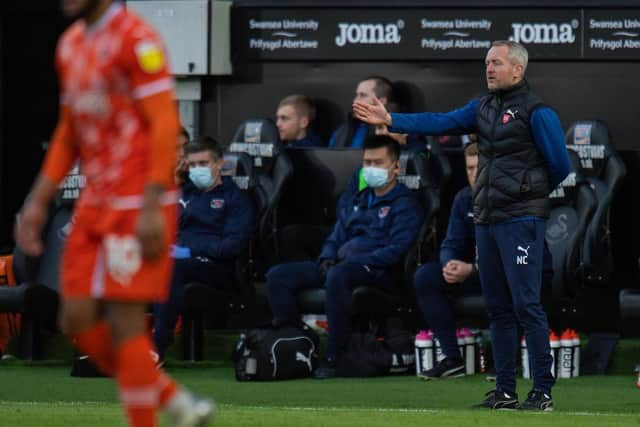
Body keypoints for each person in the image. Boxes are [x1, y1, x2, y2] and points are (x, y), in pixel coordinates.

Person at [14, 1, 213, 426]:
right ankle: (171, 400)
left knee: (124, 322)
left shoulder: (138, 41)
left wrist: (153, 200)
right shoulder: (70, 44)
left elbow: (164, 123)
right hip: (94, 202)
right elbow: (70, 129)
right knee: (75, 318)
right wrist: (38, 198)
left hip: (136, 203)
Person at [354, 40, 570, 411]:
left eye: (497, 63)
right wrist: (391, 121)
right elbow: (441, 121)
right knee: (498, 308)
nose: (489, 68)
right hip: (487, 219)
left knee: (526, 305)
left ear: (518, 69)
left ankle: (542, 392)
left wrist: (527, 197)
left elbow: (561, 166)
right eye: (487, 62)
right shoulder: (482, 106)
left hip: (520, 221)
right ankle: (504, 390)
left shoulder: (538, 111)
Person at [267, 135, 424, 378]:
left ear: (396, 167)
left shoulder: (405, 204)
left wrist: (353, 262)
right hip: (340, 266)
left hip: (379, 272)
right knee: (279, 276)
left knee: (338, 276)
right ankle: (298, 344)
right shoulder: (357, 198)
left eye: (378, 162)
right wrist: (326, 258)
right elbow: (337, 234)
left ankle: (334, 356)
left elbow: (396, 250)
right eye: (367, 163)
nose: (371, 168)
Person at [153, 137, 255, 361]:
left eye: (203, 163)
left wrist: (187, 248)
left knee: (172, 266)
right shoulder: (182, 193)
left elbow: (231, 247)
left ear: (218, 164)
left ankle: (156, 349)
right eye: (192, 165)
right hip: (177, 261)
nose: (197, 169)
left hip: (216, 270)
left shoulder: (235, 198)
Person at [329, 76, 393, 148]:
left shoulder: (393, 131)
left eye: (363, 95)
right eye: (357, 95)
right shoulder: (342, 131)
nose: (355, 100)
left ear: (381, 101)